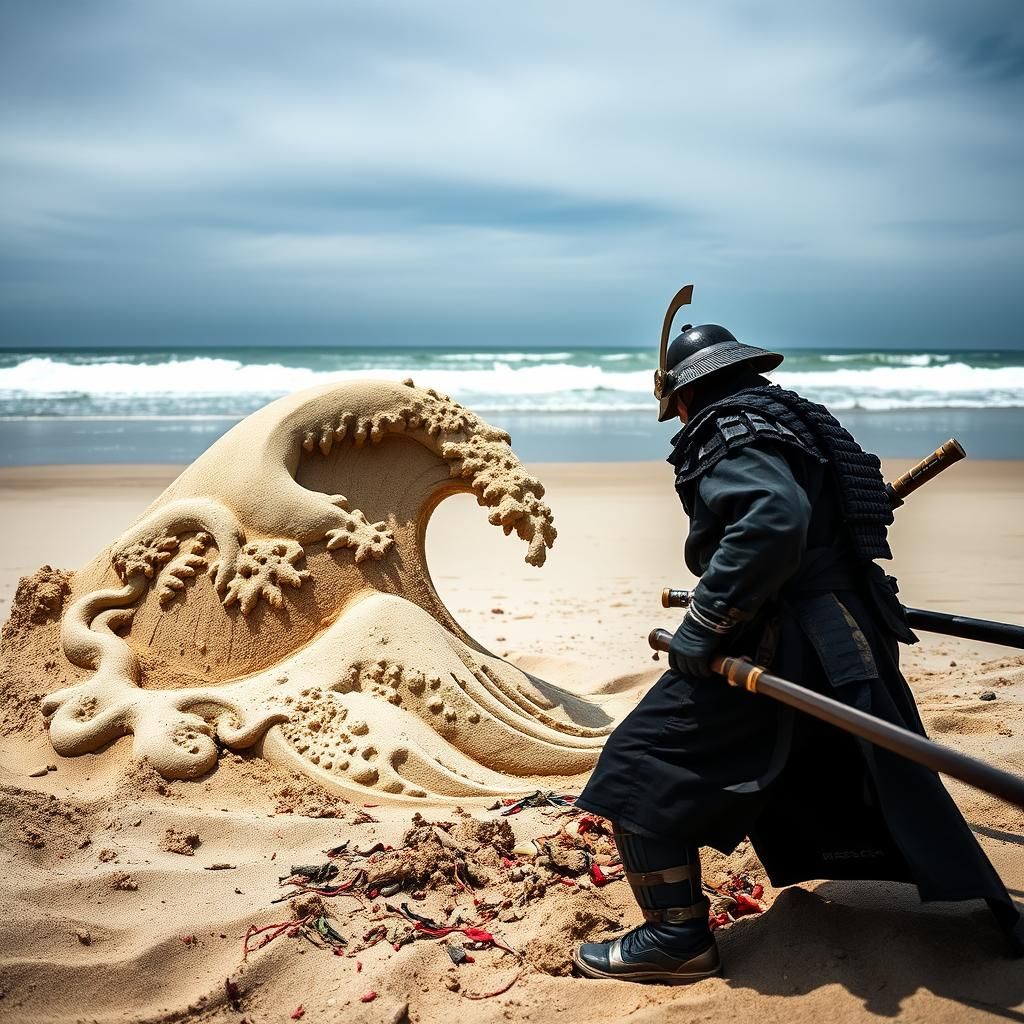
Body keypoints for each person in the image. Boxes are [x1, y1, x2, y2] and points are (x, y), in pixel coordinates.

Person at [571, 309, 1023, 983]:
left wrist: (708, 621)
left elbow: (774, 519)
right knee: (859, 758)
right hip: (850, 629)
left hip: (789, 638)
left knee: (639, 766)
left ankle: (676, 939)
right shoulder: (796, 417)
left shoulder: (724, 425)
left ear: (685, 392)